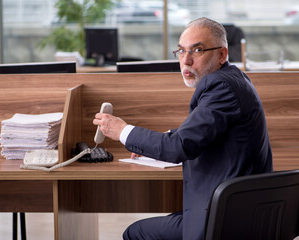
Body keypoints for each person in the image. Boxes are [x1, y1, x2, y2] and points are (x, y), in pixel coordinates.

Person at [93, 17, 273, 240]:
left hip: (227, 221)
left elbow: (179, 147)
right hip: (241, 210)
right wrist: (151, 142)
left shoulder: (220, 87)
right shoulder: (234, 79)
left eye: (197, 50)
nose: (186, 61)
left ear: (222, 55)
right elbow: (201, 132)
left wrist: (122, 131)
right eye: (180, 51)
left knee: (135, 233)